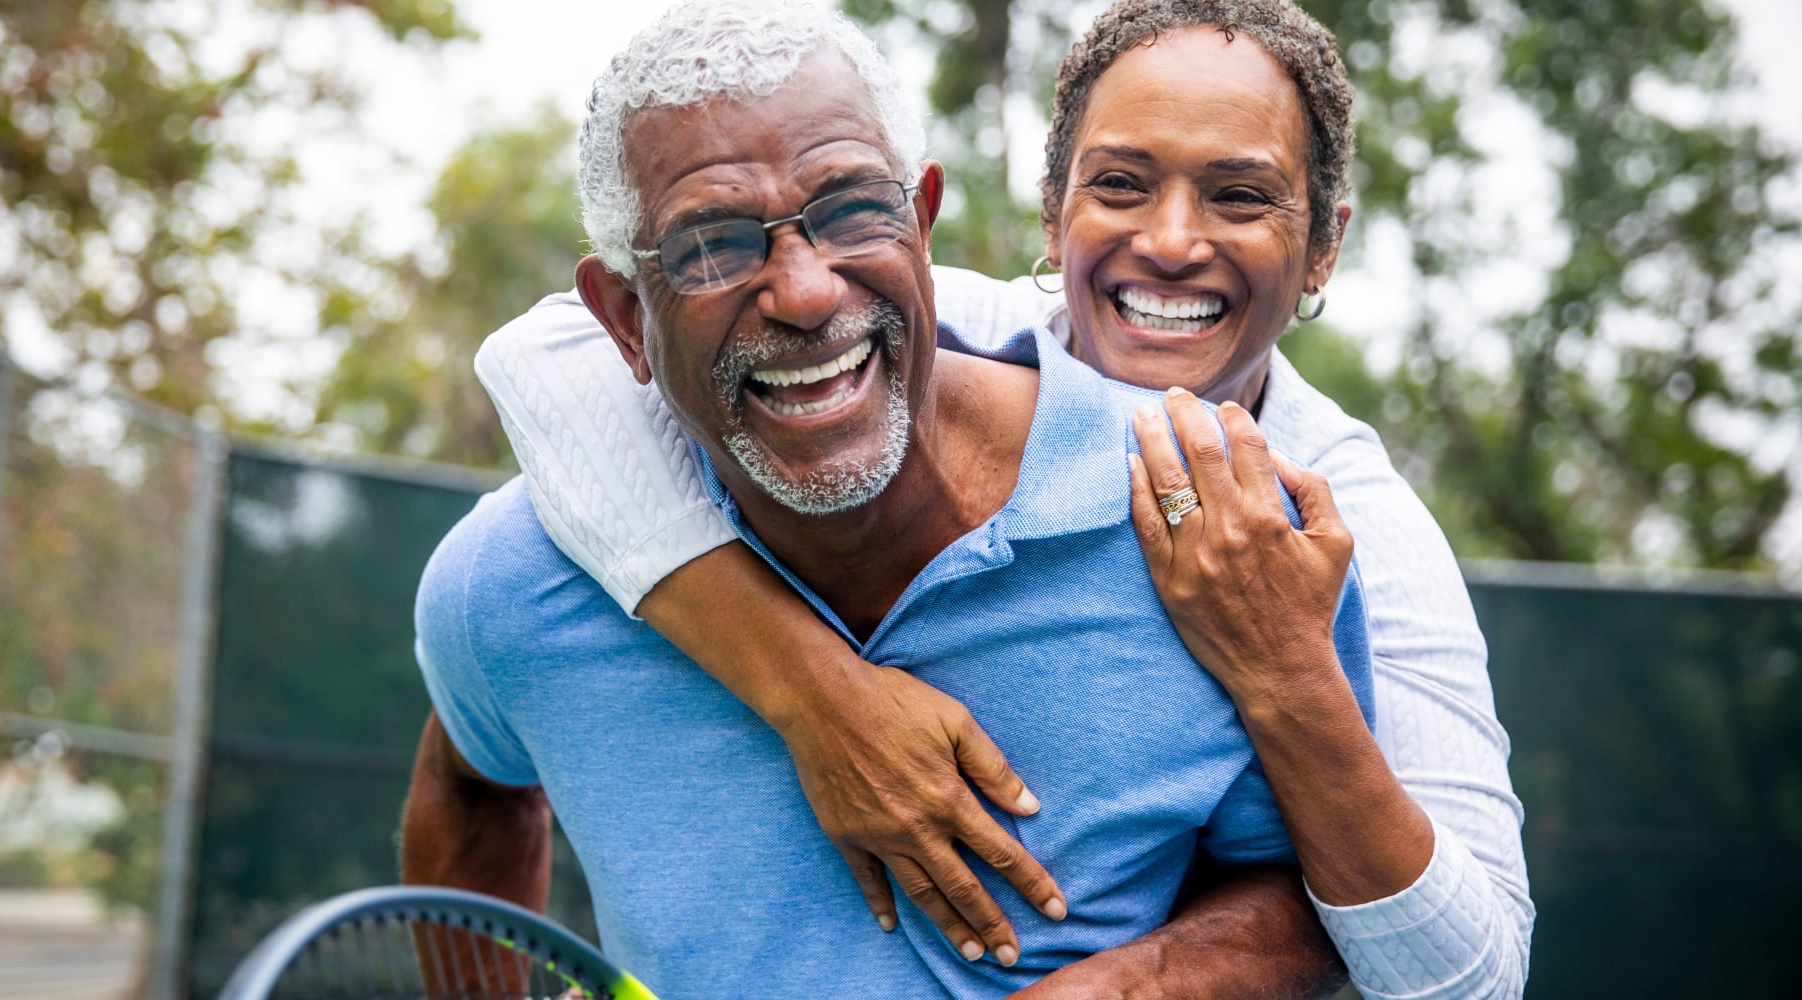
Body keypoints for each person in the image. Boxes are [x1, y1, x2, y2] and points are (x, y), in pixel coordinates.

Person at [470, 1, 1533, 997]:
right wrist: (817, 693)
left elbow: (1470, 972)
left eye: (1238, 195)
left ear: (1322, 247)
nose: (1168, 240)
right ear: (1051, 208)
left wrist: (1282, 672)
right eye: (1119, 184)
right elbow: (540, 354)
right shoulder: (901, 327)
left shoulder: (1344, 516)